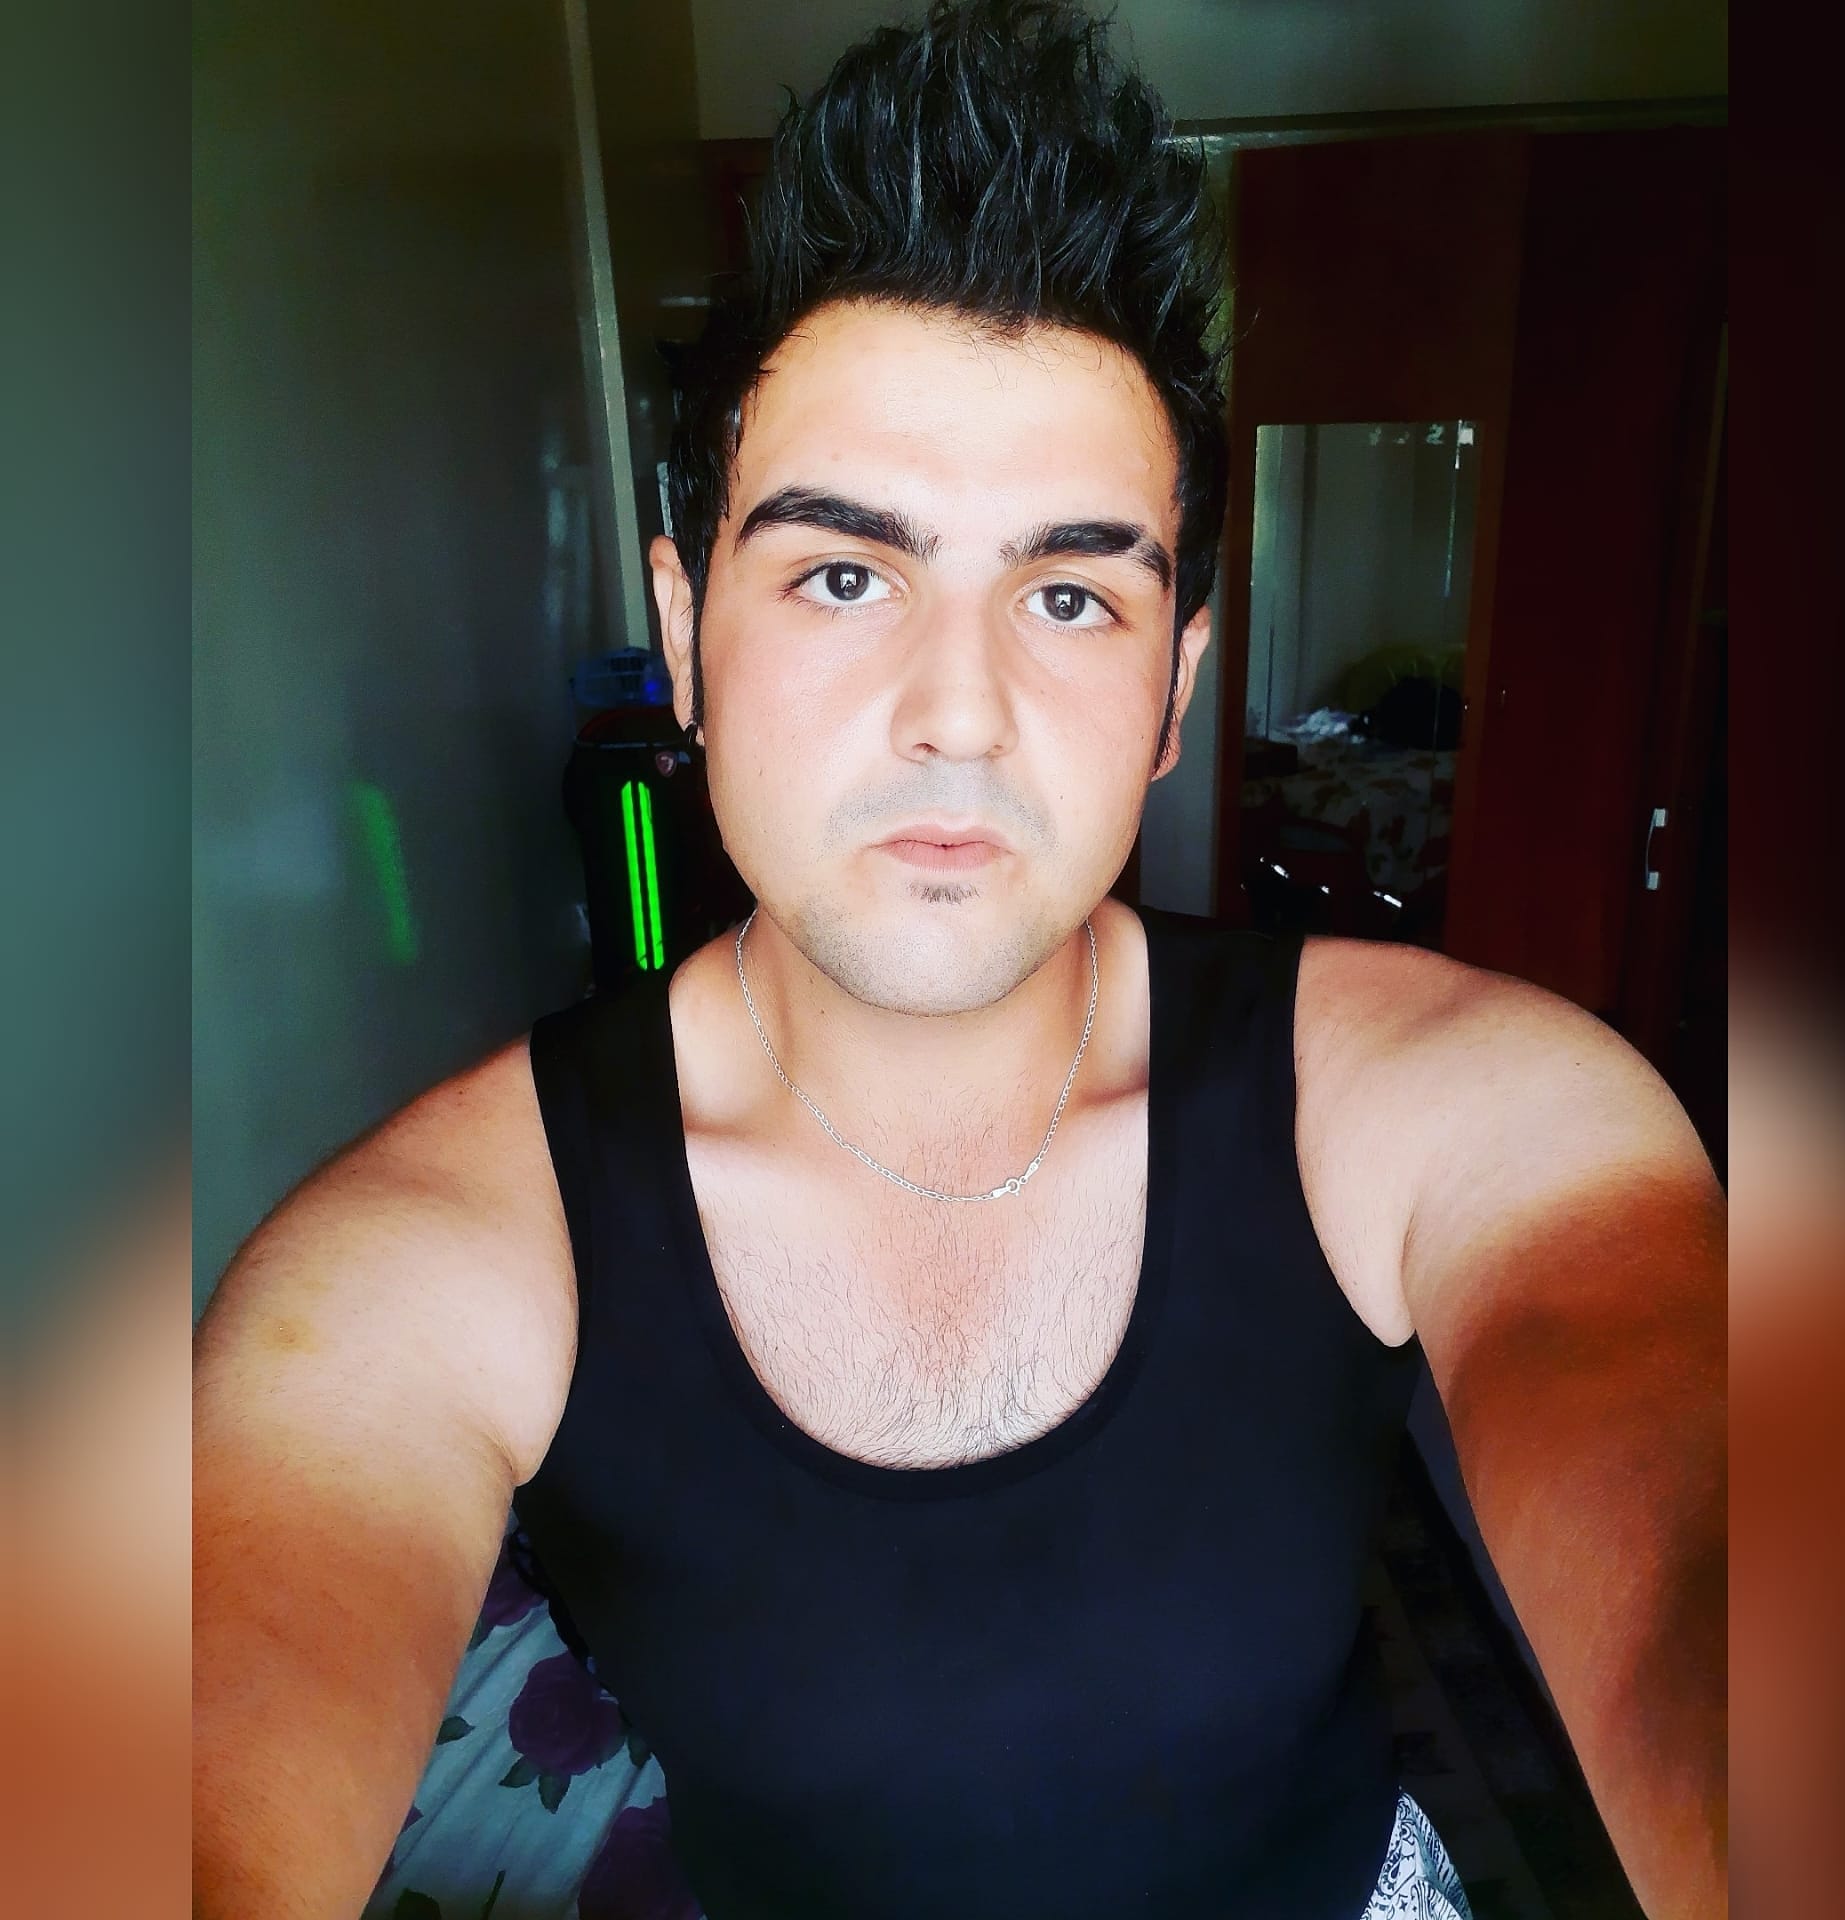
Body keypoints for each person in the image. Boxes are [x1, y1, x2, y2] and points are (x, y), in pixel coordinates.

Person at [192, 5, 1726, 1916]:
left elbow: (1715, 1580)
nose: (961, 713)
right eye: (845, 574)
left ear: (1174, 687)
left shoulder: (1447, 1103)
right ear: (685, 631)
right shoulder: (422, 1260)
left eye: (1069, 594)